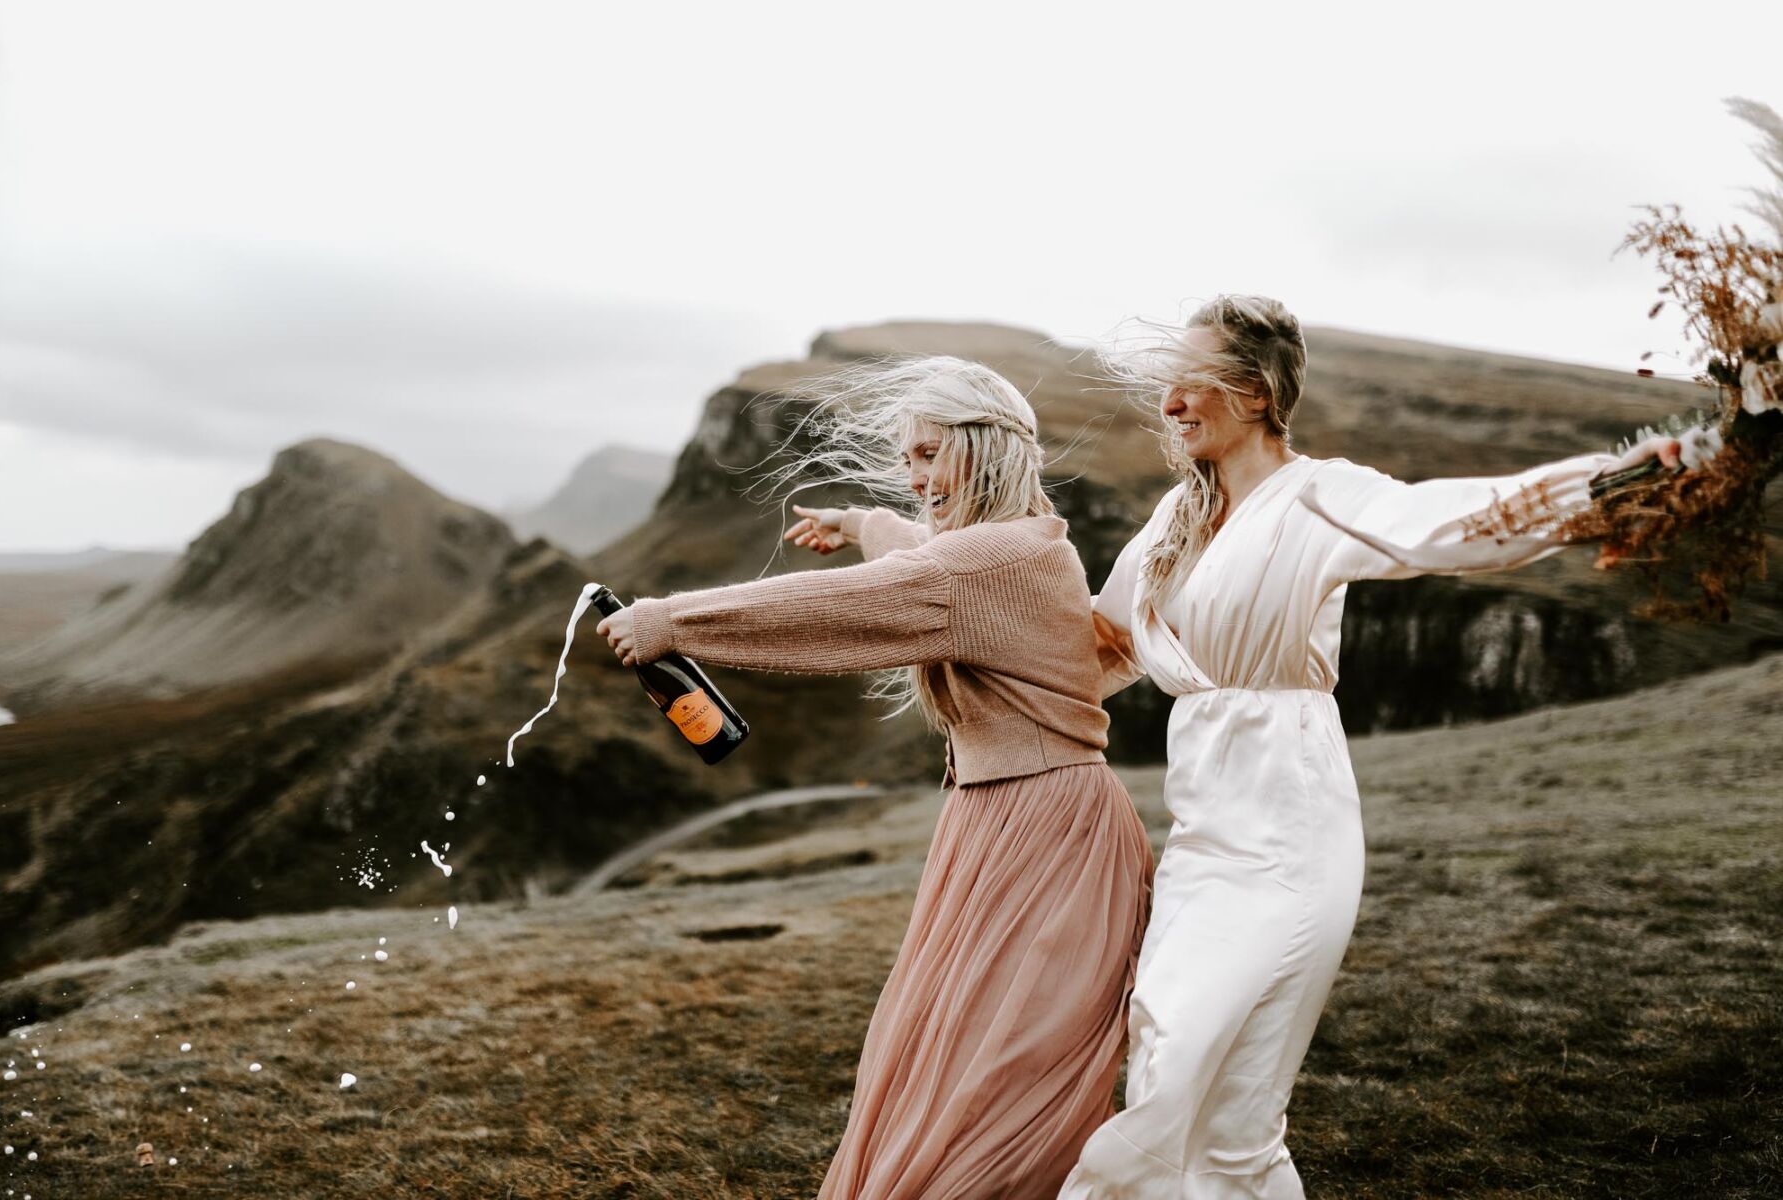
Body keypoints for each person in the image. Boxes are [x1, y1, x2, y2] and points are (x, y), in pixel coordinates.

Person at [1060, 295, 1685, 1199]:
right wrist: (954, 594)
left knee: (1214, 1075)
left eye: (1188, 381)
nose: (1169, 406)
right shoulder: (1172, 525)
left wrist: (1614, 482)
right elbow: (1107, 645)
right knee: (1176, 1055)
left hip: (1293, 826)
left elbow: (1457, 522)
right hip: (1203, 834)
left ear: (1257, 392)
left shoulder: (1320, 495)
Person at [596, 356, 1153, 1200]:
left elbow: (850, 605)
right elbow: (925, 554)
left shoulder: (982, 564)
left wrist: (671, 622)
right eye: (907, 457)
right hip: (1012, 825)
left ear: (986, 450)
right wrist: (860, 521)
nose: (914, 474)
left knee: (998, 1076)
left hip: (1046, 836)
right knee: (960, 1053)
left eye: (930, 454)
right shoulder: (1019, 542)